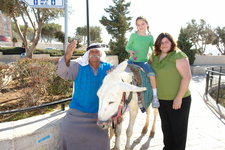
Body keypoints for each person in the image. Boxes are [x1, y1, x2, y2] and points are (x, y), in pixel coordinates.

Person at [56, 40, 113, 150]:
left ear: (101, 54)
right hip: (77, 113)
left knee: (101, 140)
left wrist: (116, 71)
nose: (94, 54)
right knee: (68, 130)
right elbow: (63, 73)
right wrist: (67, 55)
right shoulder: (79, 66)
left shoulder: (107, 67)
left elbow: (123, 71)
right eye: (91, 52)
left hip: (98, 113)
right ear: (87, 54)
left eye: (97, 52)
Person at [151, 32, 192, 150]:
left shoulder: (178, 55)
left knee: (178, 132)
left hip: (178, 100)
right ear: (158, 45)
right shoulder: (155, 58)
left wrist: (178, 98)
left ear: (171, 43)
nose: (163, 45)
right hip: (162, 100)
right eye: (161, 42)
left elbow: (187, 77)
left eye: (166, 42)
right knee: (167, 130)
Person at [126, 16, 159, 109]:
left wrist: (156, 56)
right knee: (123, 75)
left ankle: (155, 97)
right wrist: (130, 51)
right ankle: (126, 100)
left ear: (147, 24)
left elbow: (153, 48)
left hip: (143, 62)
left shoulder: (150, 37)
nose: (140, 26)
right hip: (132, 60)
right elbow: (127, 47)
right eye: (138, 25)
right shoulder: (133, 35)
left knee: (152, 75)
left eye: (142, 24)